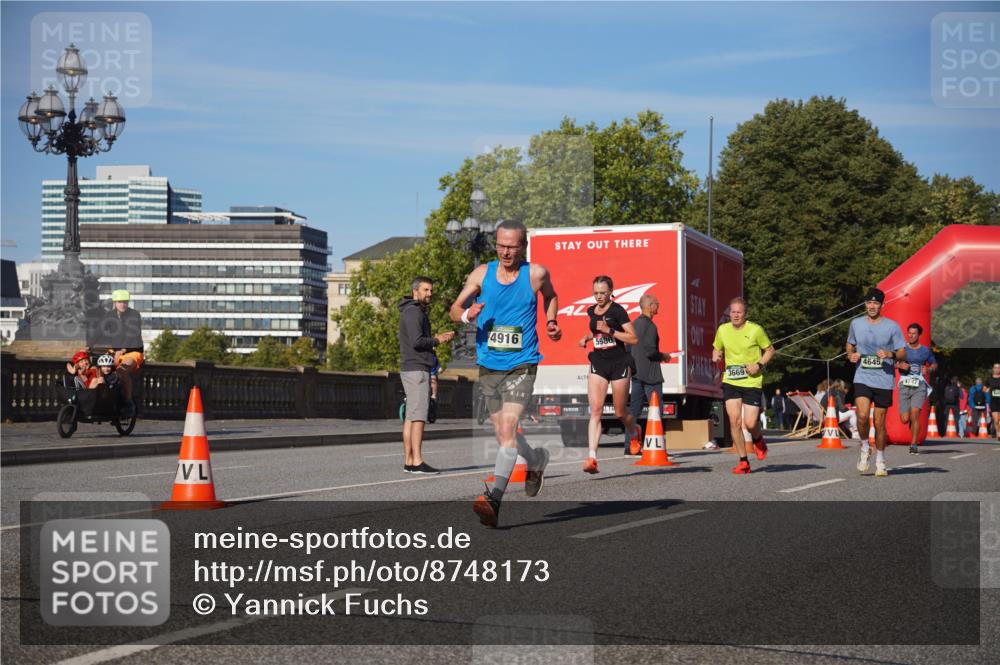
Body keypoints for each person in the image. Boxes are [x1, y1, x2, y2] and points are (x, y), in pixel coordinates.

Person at [450, 220, 561, 528]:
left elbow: (551, 297)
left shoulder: (536, 274)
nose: (506, 251)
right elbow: (455, 308)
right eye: (501, 245)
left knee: (509, 425)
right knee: (504, 435)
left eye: (512, 246)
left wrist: (551, 321)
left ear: (522, 246)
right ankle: (535, 460)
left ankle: (494, 498)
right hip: (489, 364)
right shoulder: (481, 274)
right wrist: (466, 315)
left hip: (523, 362)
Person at [577, 276, 639, 473]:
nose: (599, 297)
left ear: (611, 291)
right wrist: (587, 337)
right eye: (595, 293)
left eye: (603, 293)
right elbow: (597, 332)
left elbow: (633, 338)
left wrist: (610, 330)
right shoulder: (591, 310)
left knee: (620, 412)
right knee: (596, 410)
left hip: (619, 362)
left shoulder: (618, 311)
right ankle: (592, 458)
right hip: (599, 362)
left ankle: (634, 430)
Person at [398, 276, 455, 474]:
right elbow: (417, 341)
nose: (429, 293)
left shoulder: (410, 310)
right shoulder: (414, 312)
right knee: (419, 416)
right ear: (415, 291)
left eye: (430, 290)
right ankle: (417, 462)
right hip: (417, 370)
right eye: (425, 290)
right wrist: (437, 340)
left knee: (411, 417)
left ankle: (409, 461)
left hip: (410, 368)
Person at [712, 297, 775, 474]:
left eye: (739, 312)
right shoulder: (723, 330)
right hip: (731, 380)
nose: (736, 315)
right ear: (729, 314)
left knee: (749, 423)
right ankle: (743, 461)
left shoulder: (755, 330)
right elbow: (717, 348)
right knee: (734, 421)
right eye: (733, 312)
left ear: (745, 314)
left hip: (752, 381)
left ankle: (758, 440)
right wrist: (716, 355)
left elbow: (770, 350)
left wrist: (759, 365)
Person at [846, 288, 905, 477]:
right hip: (862, 376)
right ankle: (865, 448)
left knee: (879, 423)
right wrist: (851, 355)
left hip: (884, 379)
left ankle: (880, 460)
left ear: (882, 305)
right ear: (865, 304)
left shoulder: (892, 327)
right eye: (869, 303)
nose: (872, 306)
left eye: (876, 303)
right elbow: (850, 344)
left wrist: (890, 354)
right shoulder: (856, 324)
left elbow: (902, 352)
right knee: (862, 416)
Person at [626, 293, 679, 454]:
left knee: (633, 411)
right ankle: (656, 446)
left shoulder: (633, 325)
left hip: (636, 375)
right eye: (657, 303)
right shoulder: (650, 326)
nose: (659, 305)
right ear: (649, 306)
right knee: (656, 410)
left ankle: (629, 447)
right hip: (651, 376)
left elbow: (628, 349)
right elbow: (650, 351)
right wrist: (664, 356)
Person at [896, 322, 937, 454]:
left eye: (914, 333)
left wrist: (929, 368)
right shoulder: (902, 349)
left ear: (919, 335)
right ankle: (912, 424)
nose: (911, 336)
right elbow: (892, 362)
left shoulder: (925, 350)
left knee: (915, 414)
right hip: (904, 384)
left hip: (919, 384)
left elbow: (934, 364)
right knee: (905, 419)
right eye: (909, 333)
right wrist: (899, 366)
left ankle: (913, 444)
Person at [103, 290, 144, 415]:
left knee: (122, 370)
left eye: (125, 302)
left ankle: (128, 401)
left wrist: (122, 350)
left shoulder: (134, 315)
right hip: (114, 351)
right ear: (115, 303)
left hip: (132, 351)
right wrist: (89, 346)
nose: (123, 304)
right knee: (98, 367)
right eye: (120, 302)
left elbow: (133, 334)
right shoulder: (108, 316)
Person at [988, 363, 1000, 442]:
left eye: (998, 368)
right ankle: (998, 433)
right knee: (996, 420)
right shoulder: (989, 379)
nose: (997, 369)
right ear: (993, 369)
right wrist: (987, 390)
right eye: (995, 367)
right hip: (993, 402)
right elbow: (984, 389)